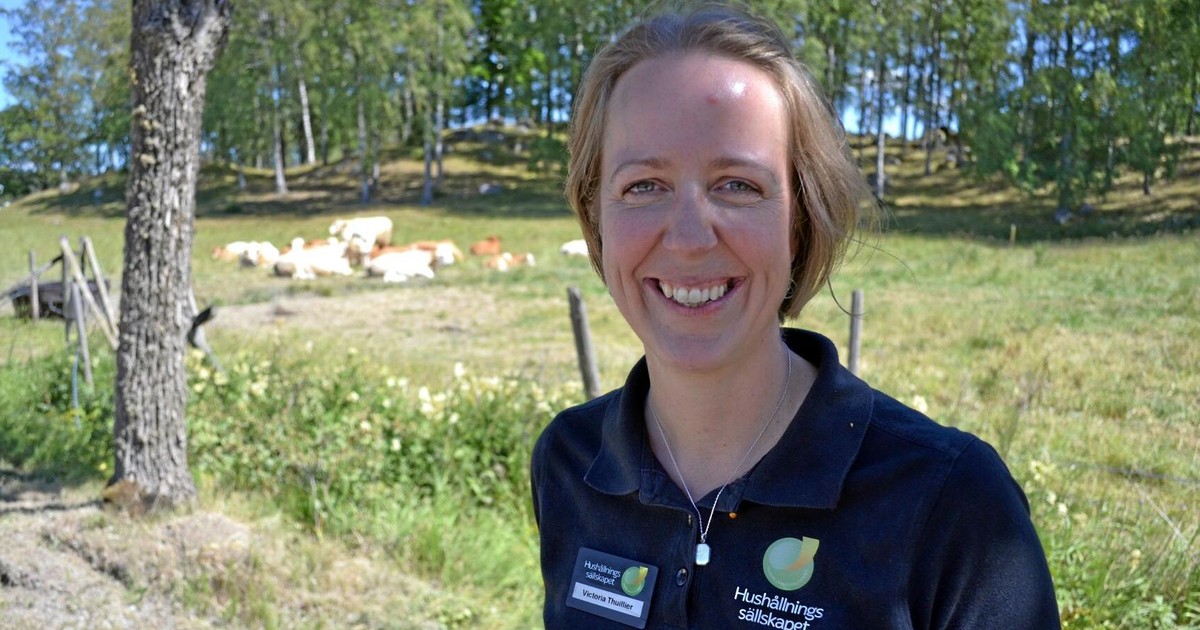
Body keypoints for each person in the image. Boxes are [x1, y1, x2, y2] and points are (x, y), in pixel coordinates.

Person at [530, 3, 1060, 629]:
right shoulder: (570, 463)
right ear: (596, 217)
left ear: (801, 221)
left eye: (738, 185)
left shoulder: (952, 504)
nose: (690, 238)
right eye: (643, 185)